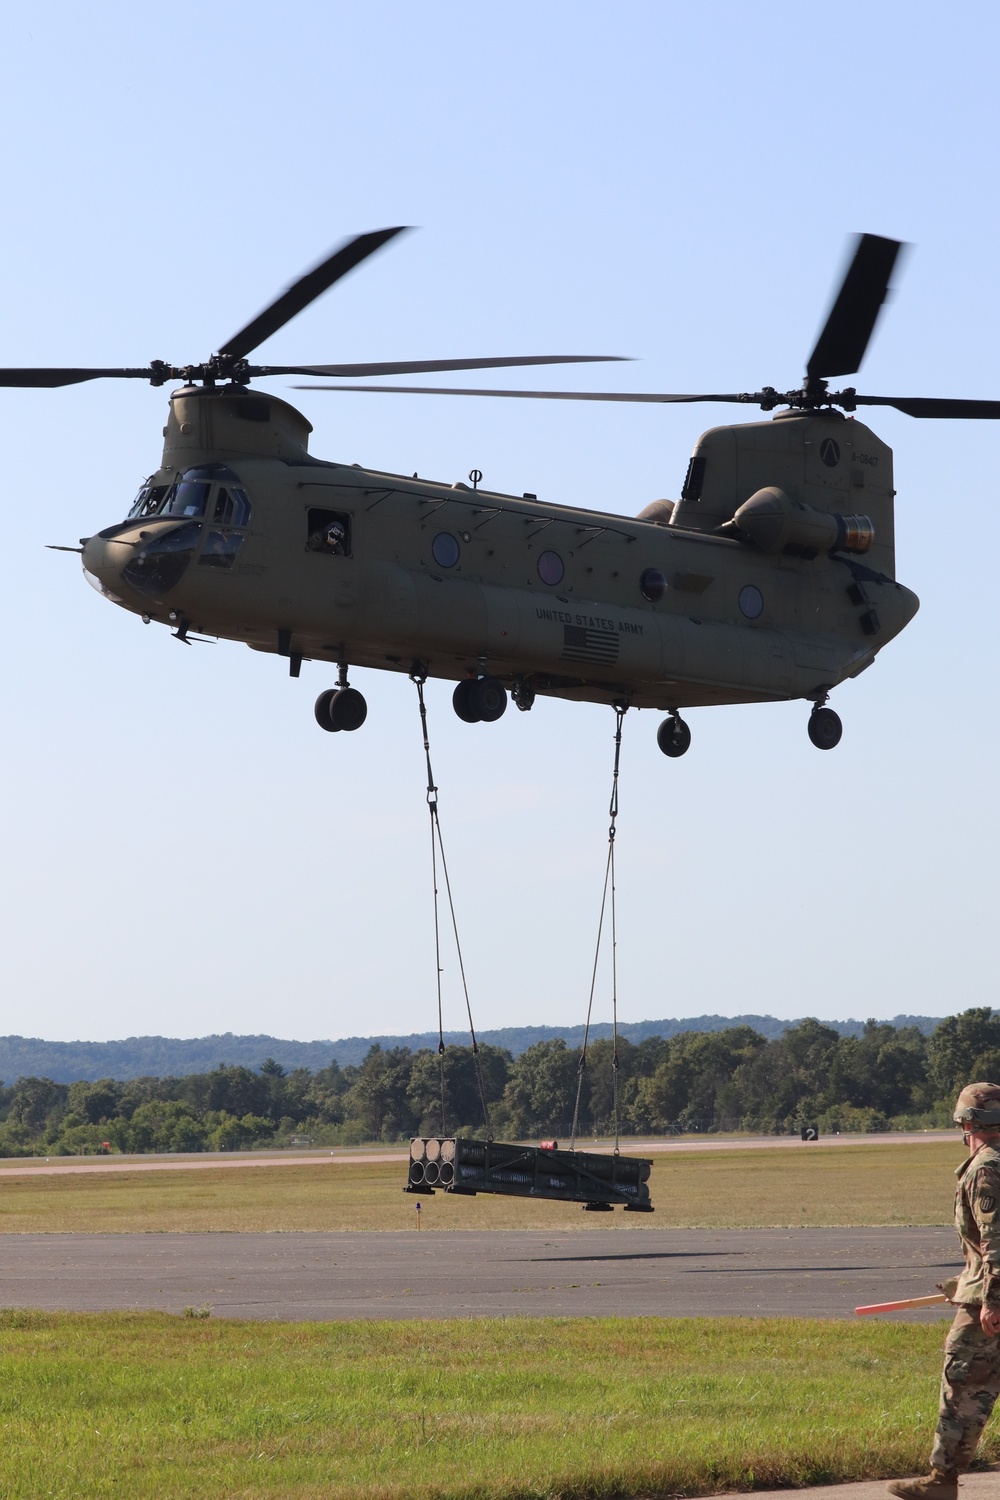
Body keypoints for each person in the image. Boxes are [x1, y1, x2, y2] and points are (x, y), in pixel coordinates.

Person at [888, 1083, 1000, 1500]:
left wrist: (991, 1297)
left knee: (964, 1384)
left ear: (966, 1122)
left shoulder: (986, 1168)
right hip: (983, 1286)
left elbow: (996, 1239)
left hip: (987, 1306)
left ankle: (942, 1482)